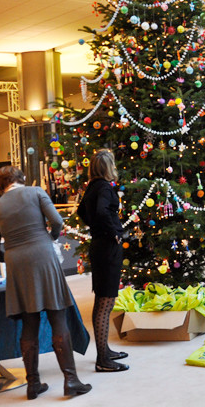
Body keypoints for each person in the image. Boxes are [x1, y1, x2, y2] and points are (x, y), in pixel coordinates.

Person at [0, 166, 92, 399]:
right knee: (57, 317)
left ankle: (33, 384)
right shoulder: (36, 192)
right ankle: (71, 380)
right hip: (43, 256)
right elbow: (57, 221)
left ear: (0, 186)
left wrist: (11, 256)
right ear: (22, 179)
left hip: (16, 264)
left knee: (29, 322)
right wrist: (48, 239)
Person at [77, 150, 129, 373]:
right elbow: (100, 212)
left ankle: (104, 351)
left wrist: (97, 229)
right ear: (108, 167)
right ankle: (103, 360)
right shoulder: (105, 188)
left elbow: (81, 211)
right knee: (106, 302)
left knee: (102, 301)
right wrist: (113, 232)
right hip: (107, 248)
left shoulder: (92, 187)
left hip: (99, 246)